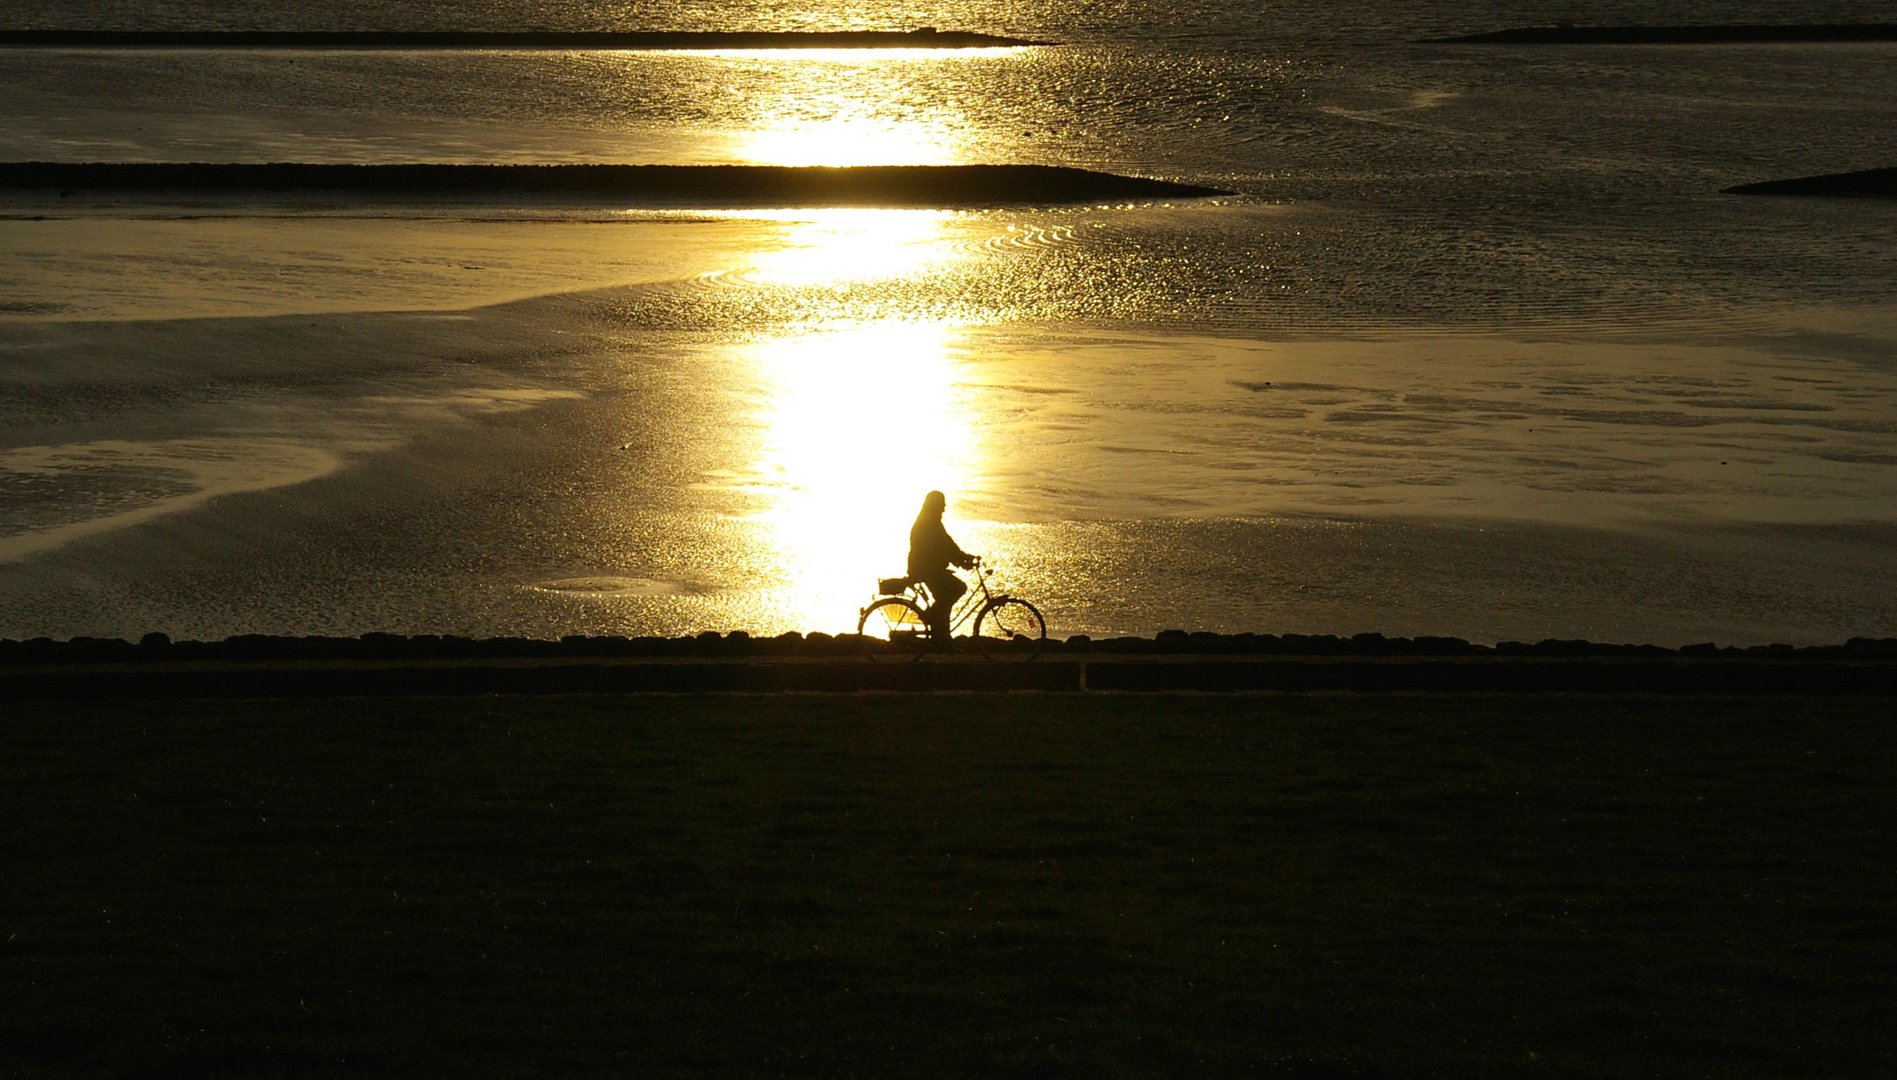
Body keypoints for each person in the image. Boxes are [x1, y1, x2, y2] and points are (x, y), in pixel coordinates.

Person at [907, 490, 977, 640]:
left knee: (945, 596)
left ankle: (942, 636)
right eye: (941, 505)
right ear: (935, 505)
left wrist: (962, 558)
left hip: (928, 567)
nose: (944, 508)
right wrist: (961, 560)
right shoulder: (929, 523)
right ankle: (931, 618)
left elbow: (947, 543)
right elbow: (942, 546)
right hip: (926, 569)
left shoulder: (929, 520)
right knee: (956, 589)